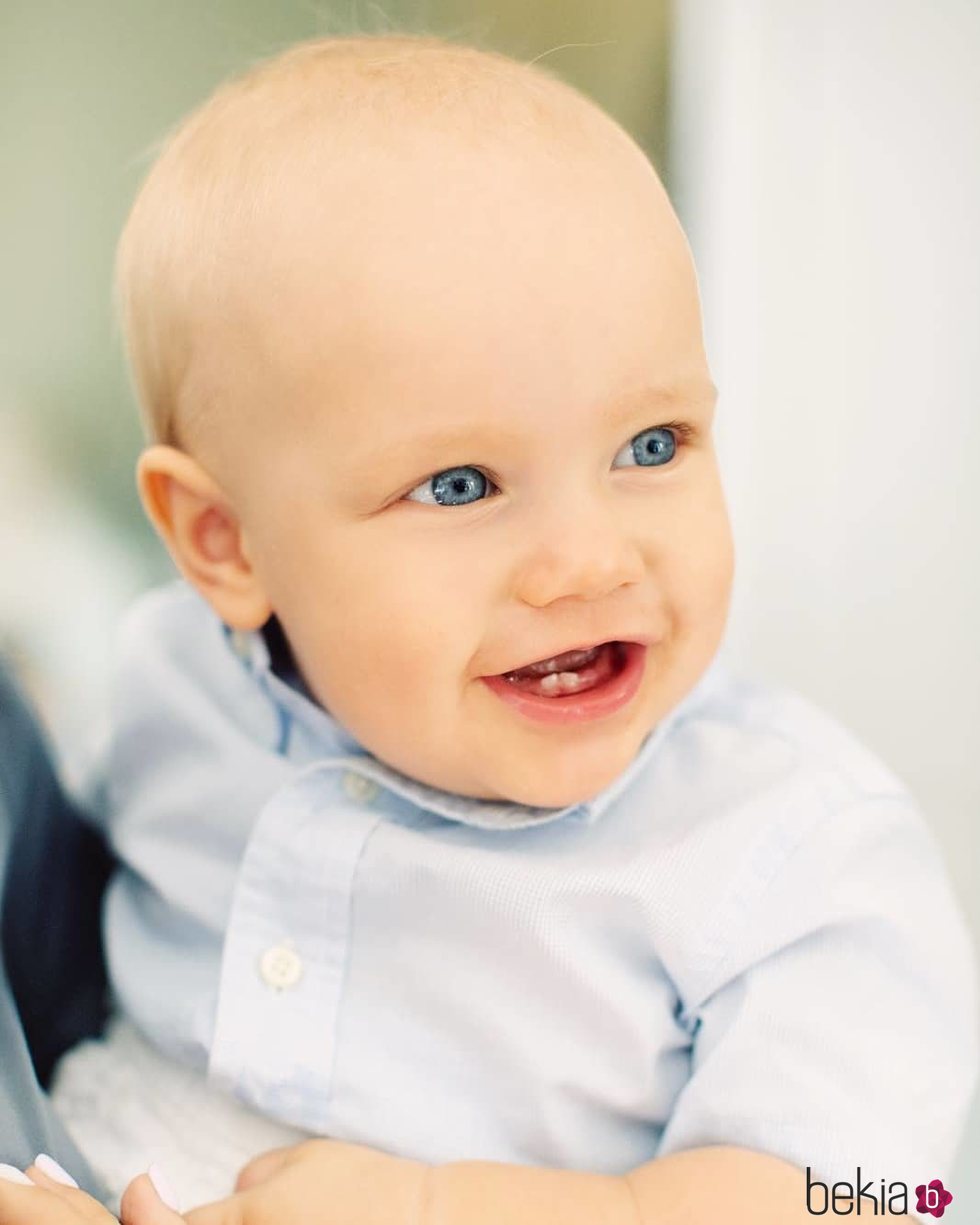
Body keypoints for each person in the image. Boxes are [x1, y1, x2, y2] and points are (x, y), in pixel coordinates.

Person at [0, 31, 976, 1225]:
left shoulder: (786, 849)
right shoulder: (176, 685)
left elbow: (886, 1196)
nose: (589, 558)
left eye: (650, 446)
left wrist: (438, 1205)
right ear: (226, 543)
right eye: (461, 484)